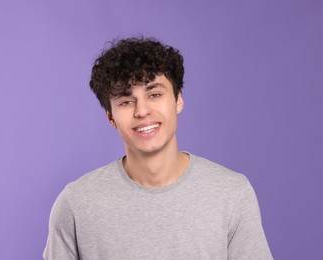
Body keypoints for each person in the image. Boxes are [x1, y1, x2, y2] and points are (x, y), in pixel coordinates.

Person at [43, 37, 273, 259]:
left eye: (154, 94)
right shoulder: (75, 204)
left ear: (178, 100)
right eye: (125, 101)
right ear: (110, 117)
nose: (142, 111)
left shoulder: (231, 193)